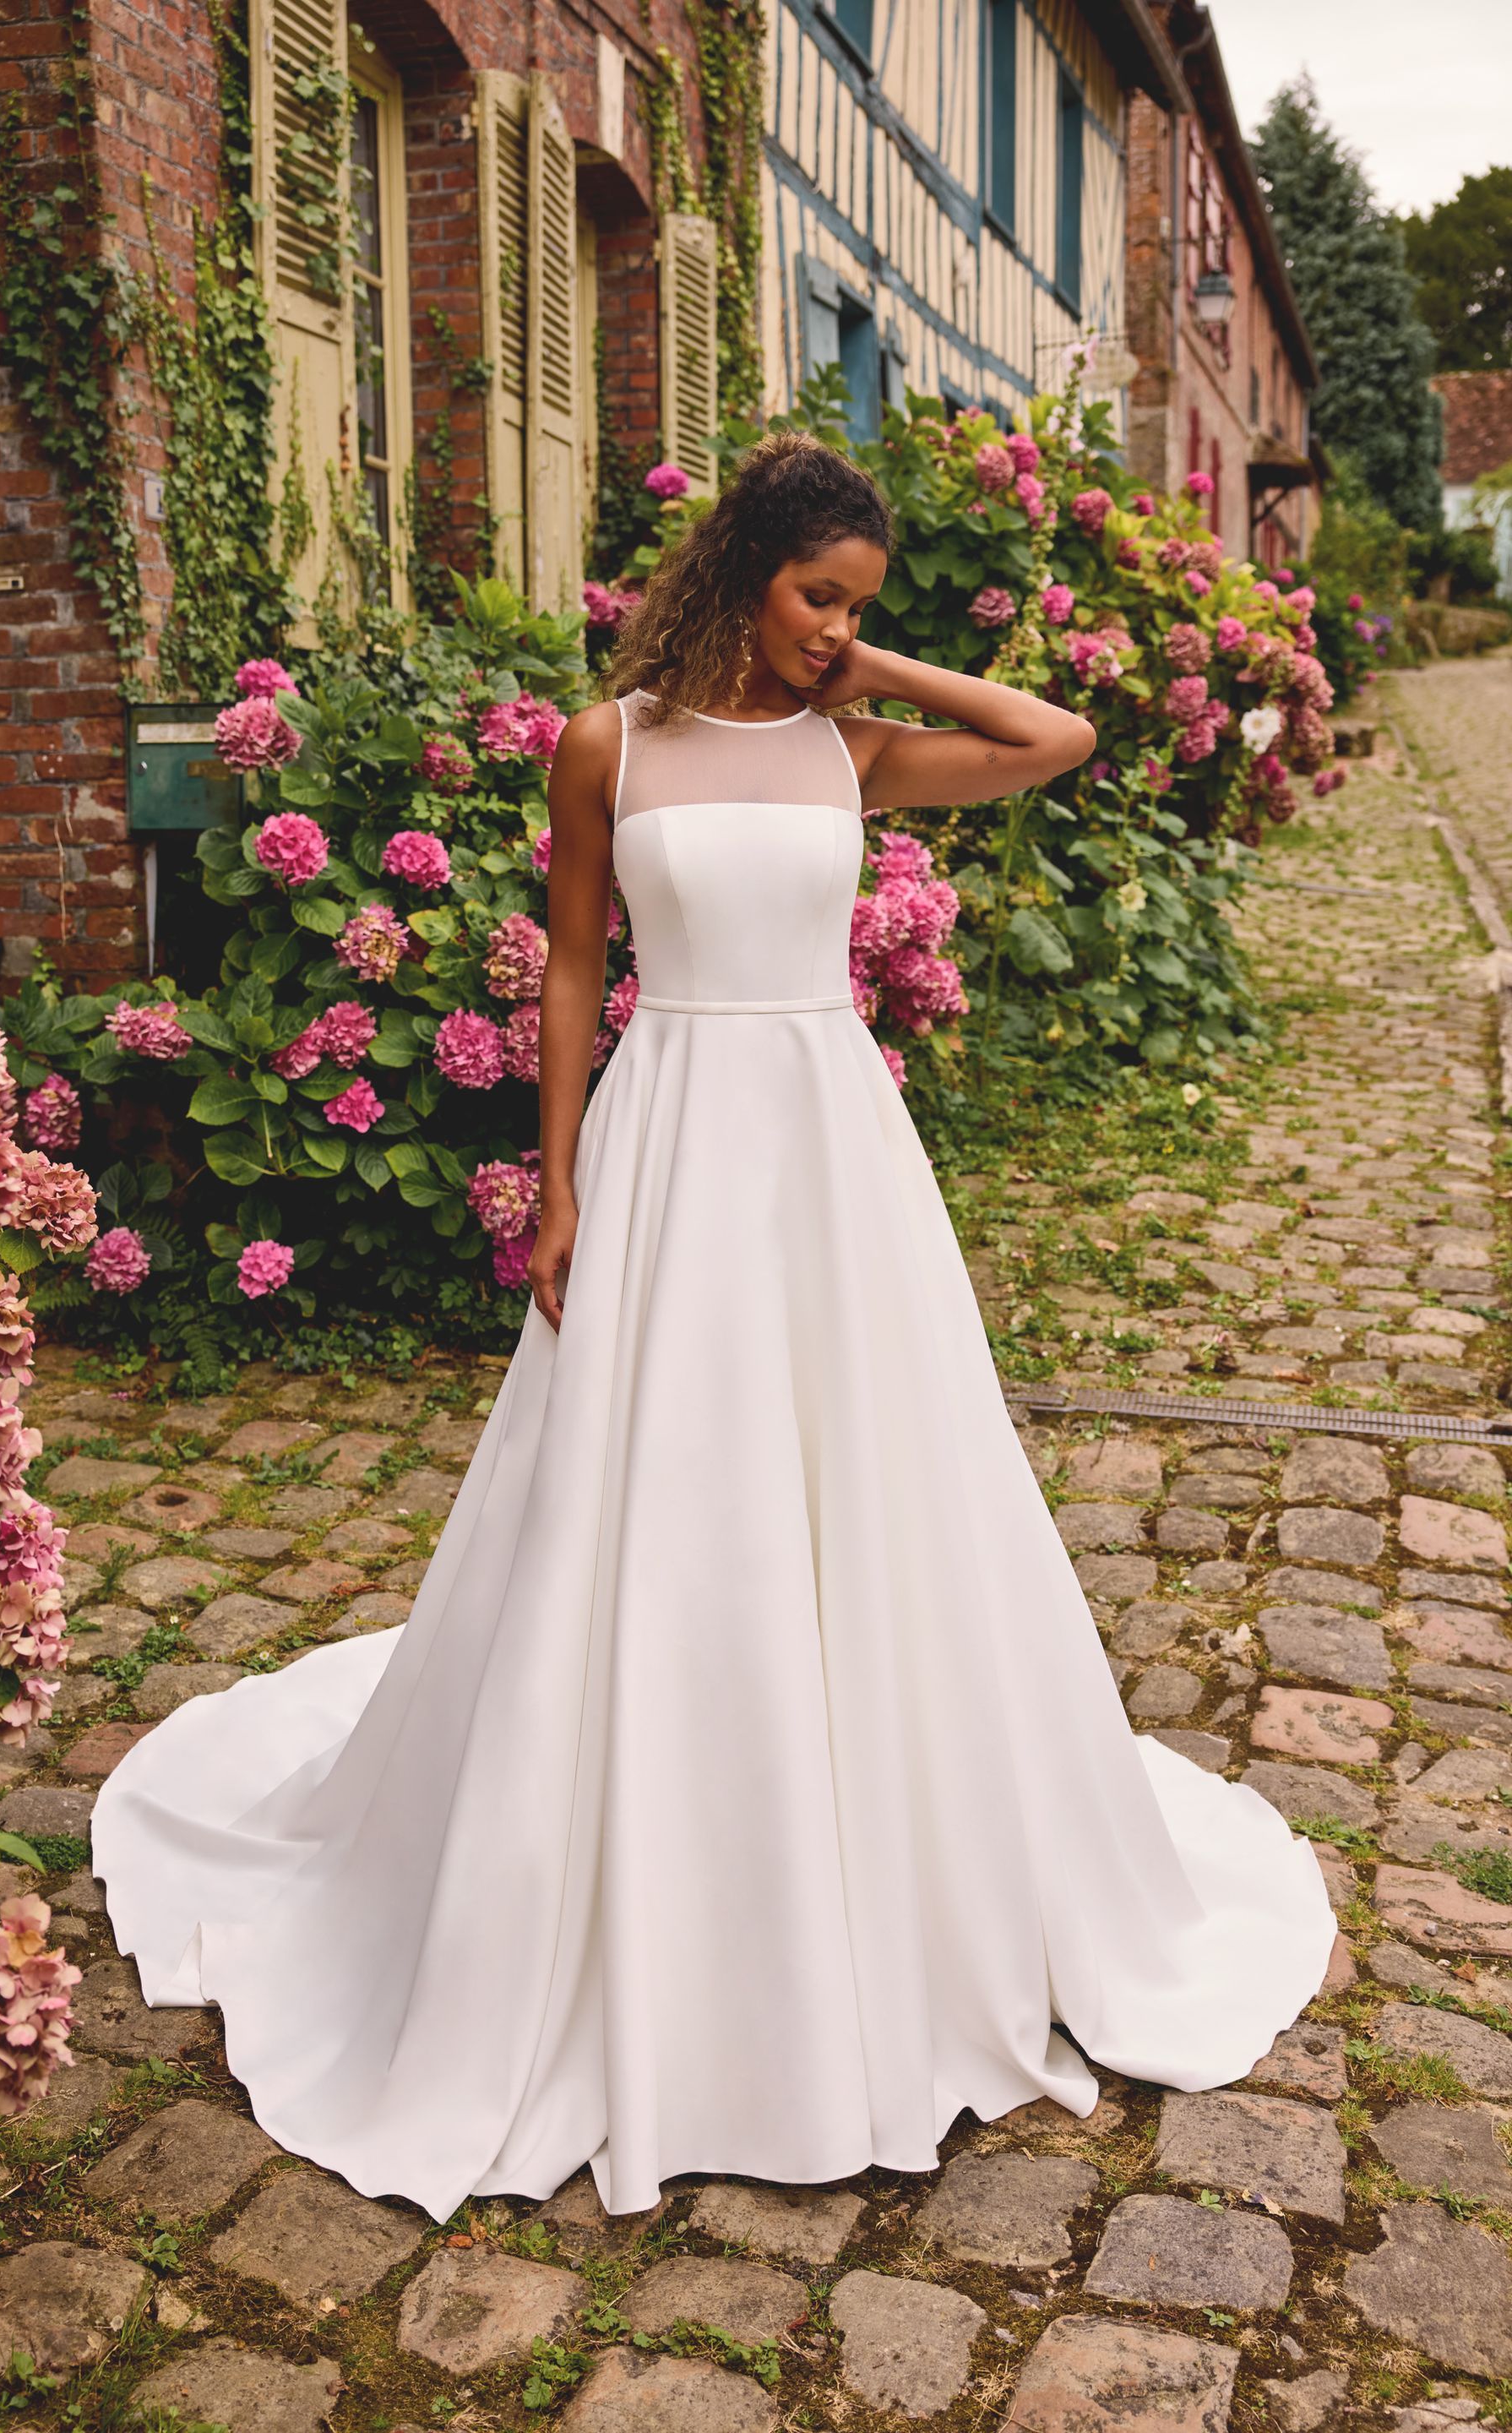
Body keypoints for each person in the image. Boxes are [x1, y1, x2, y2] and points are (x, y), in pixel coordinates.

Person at [93, 431, 1335, 2224]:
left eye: (860, 603)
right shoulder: (614, 743)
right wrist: (561, 1176)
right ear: (741, 567)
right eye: (817, 593)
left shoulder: (853, 748)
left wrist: (875, 665)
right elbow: (584, 961)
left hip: (829, 1144)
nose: (837, 625)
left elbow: (1051, 742)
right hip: (669, 1124)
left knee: (870, 1469)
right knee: (652, 1492)